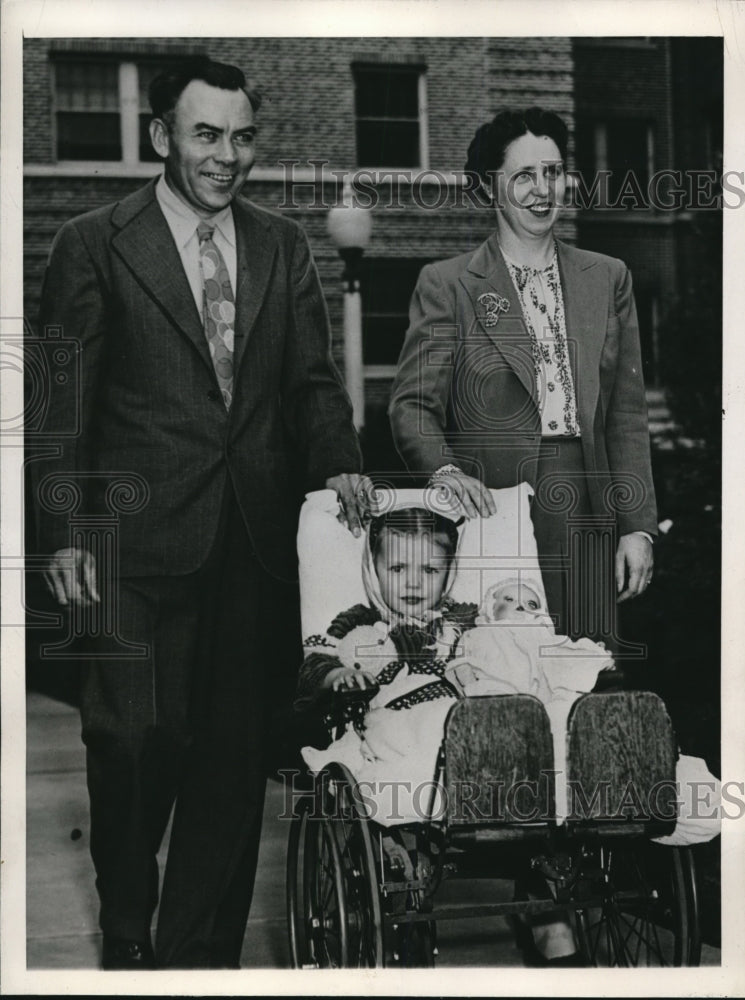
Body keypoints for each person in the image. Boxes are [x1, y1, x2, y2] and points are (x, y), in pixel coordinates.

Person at [31, 56, 368, 970]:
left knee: (230, 758)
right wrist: (64, 534)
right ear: (163, 138)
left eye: (243, 137)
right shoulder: (93, 242)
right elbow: (58, 406)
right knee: (131, 737)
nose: (227, 156)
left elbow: (310, 385)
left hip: (253, 543)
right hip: (132, 547)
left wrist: (341, 466)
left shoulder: (283, 244)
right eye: (206, 135)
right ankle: (130, 925)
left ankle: (198, 954)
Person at [389, 107, 657, 642]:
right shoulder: (448, 284)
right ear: (492, 188)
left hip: (587, 504)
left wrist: (638, 527)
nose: (543, 190)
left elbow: (626, 413)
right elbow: (412, 406)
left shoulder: (608, 278)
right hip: (496, 510)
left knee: (586, 674)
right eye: (524, 176)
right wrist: (444, 474)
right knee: (501, 675)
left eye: (553, 172)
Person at [296, 507, 477, 824]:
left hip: (459, 724)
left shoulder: (462, 620)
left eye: (430, 571)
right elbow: (315, 663)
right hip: (389, 726)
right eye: (397, 569)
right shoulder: (362, 623)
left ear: (449, 572)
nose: (413, 584)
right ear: (374, 570)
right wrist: (339, 673)